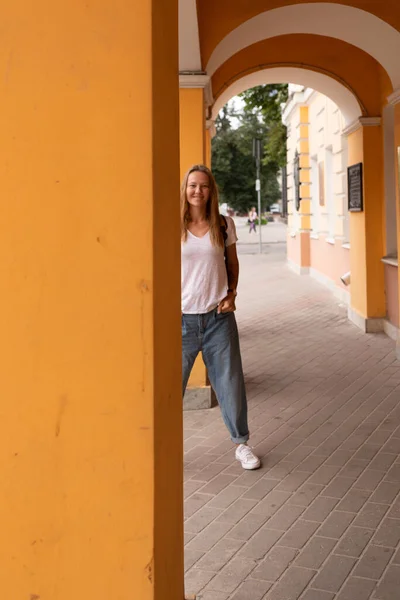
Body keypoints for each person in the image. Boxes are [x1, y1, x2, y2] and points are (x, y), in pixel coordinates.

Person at [181, 164, 260, 470]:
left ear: (211, 191)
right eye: (192, 186)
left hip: (218, 319)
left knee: (230, 384)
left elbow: (233, 264)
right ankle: (163, 447)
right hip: (181, 320)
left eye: (203, 186)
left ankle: (241, 444)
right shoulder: (172, 224)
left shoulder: (224, 224)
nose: (197, 191)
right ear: (185, 190)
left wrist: (232, 293)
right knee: (170, 387)